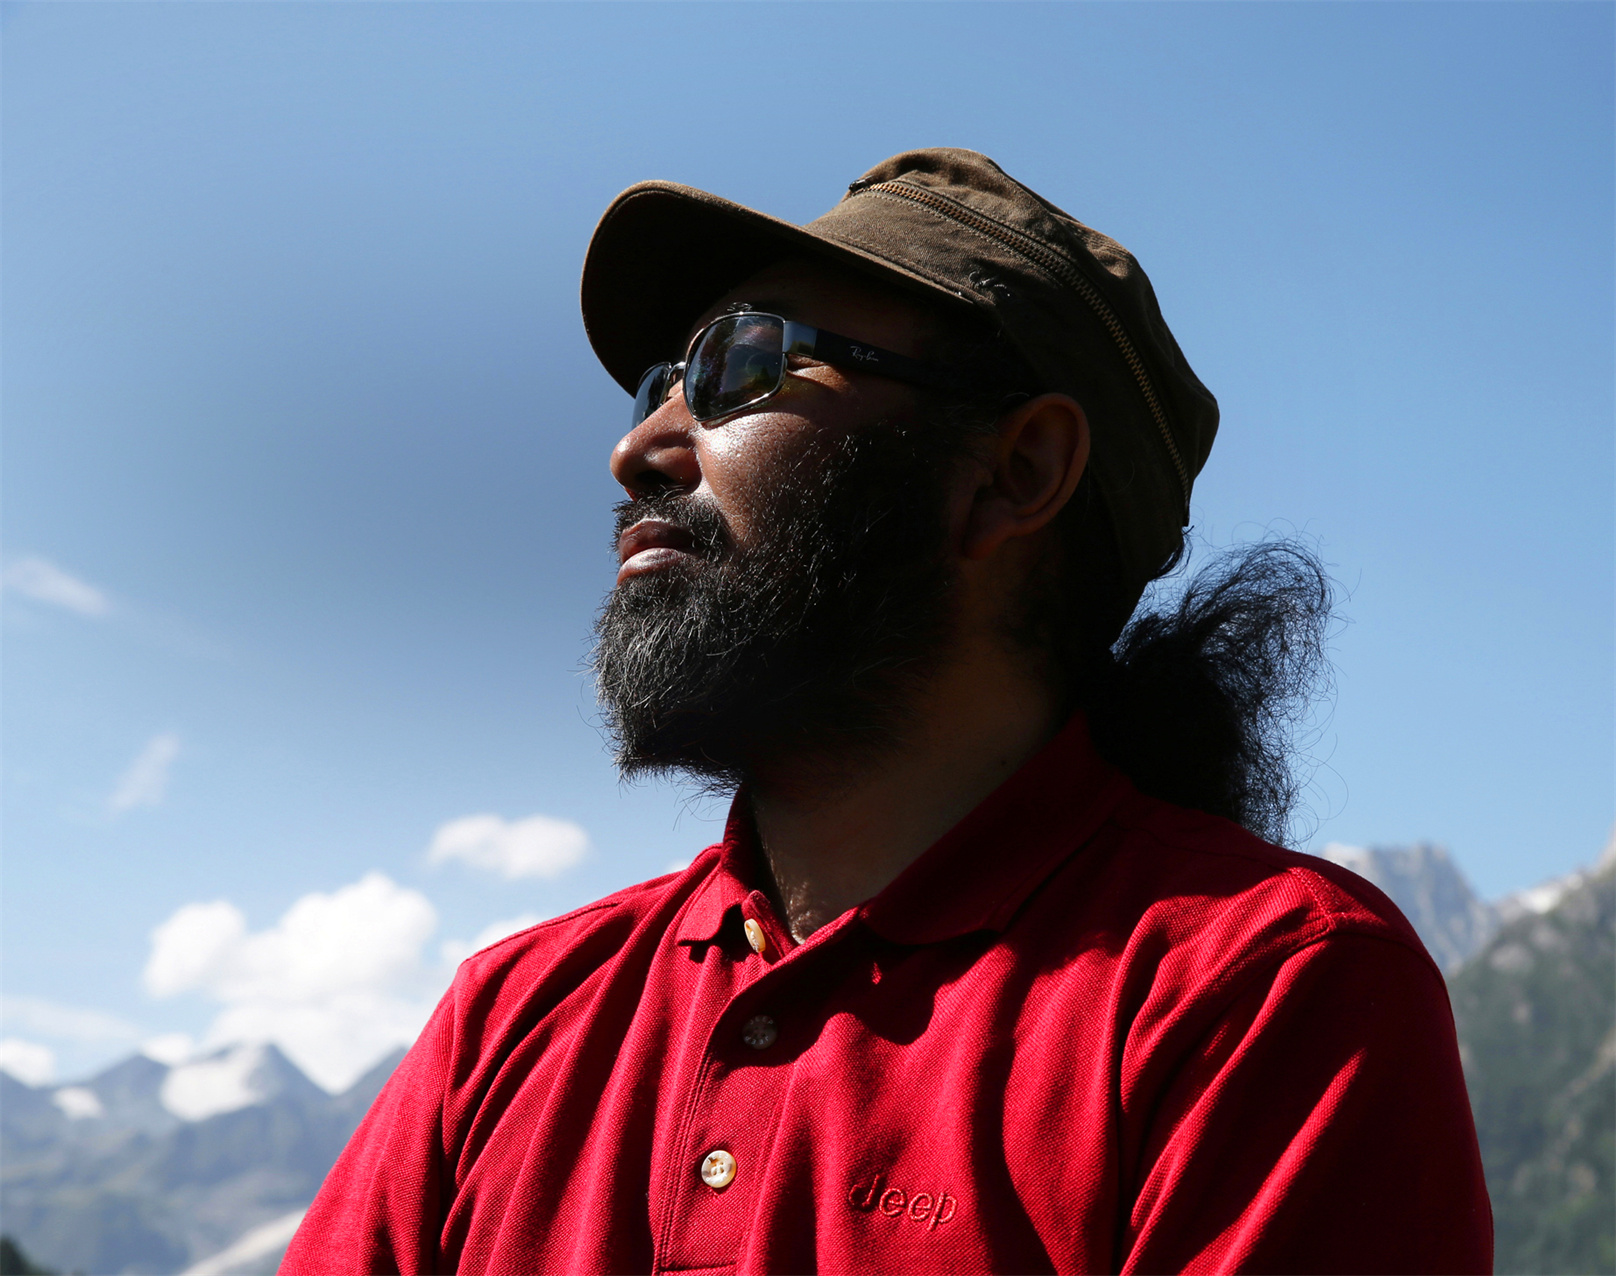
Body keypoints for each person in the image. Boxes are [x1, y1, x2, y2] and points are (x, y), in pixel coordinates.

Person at [281, 148, 1492, 1274]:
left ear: (1015, 471)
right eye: (660, 385)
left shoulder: (1264, 994)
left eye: (741, 364)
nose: (638, 446)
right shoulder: (509, 1017)